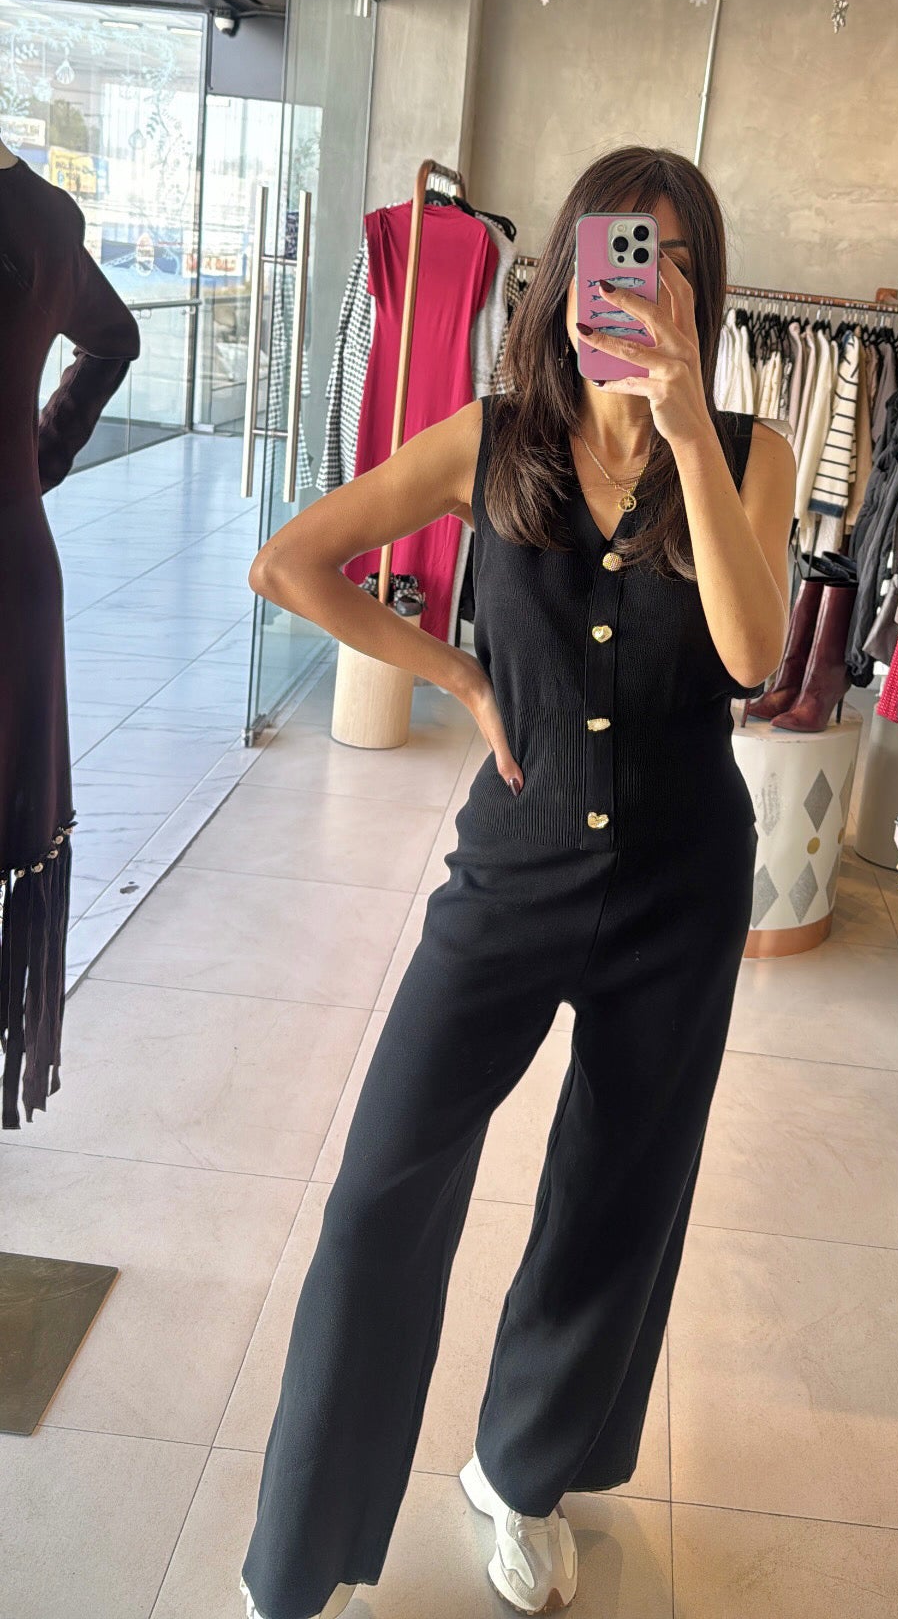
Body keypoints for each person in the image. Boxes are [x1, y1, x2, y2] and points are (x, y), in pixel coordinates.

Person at [240, 147, 794, 1619]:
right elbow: (291, 564)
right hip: (510, 875)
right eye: (627, 255)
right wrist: (458, 675)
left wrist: (685, 430)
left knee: (618, 1198)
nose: (649, 287)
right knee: (381, 1190)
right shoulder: (493, 441)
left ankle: (522, 1475)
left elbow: (753, 658)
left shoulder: (748, 455)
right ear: (568, 274)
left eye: (680, 263)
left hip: (681, 887)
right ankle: (300, 1556)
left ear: (706, 292)